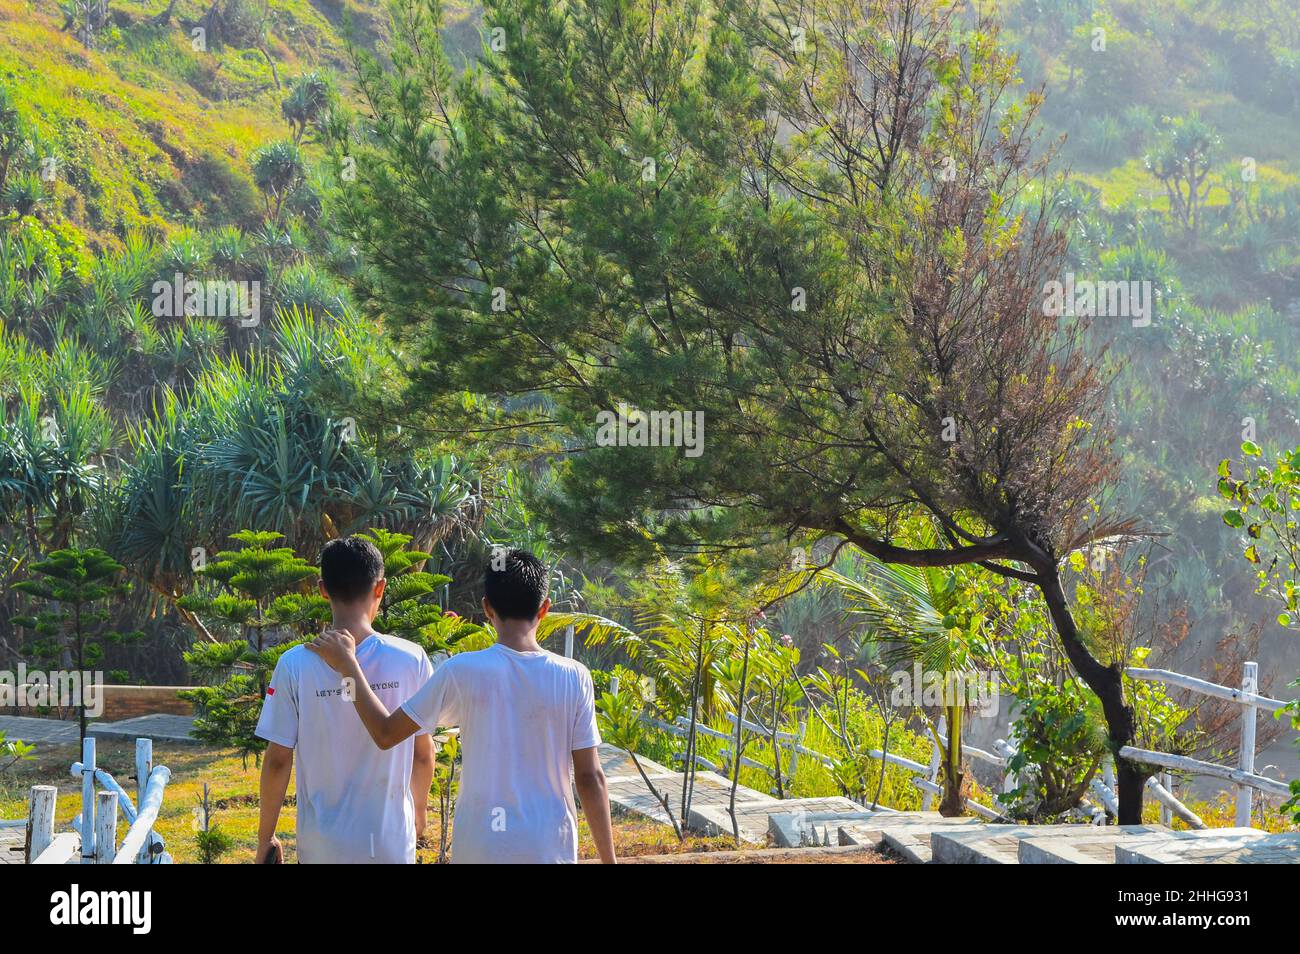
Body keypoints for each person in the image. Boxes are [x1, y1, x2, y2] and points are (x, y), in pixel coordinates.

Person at [308, 548, 616, 864]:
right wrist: (609, 860)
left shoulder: (463, 671)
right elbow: (590, 776)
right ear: (545, 608)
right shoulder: (573, 676)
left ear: (486, 608)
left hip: (480, 847)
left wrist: (348, 664)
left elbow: (385, 733)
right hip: (550, 846)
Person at [255, 536, 435, 863]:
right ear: (380, 588)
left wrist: (265, 838)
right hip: (390, 845)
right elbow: (423, 754)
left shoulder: (294, 665)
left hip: (322, 848)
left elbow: (278, 760)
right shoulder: (413, 660)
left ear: (323, 589)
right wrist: (419, 812)